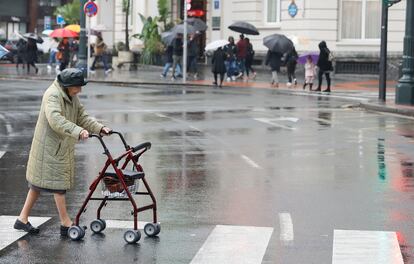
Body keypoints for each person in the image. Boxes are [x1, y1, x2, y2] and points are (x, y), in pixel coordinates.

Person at [13, 68, 112, 236]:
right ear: (68, 85)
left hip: (58, 146)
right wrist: (78, 131)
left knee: (37, 185)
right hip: (50, 147)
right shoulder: (52, 95)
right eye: (78, 86)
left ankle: (22, 219)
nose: (80, 90)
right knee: (58, 186)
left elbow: (82, 116)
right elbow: (55, 119)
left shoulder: (71, 96)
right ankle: (66, 223)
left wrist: (99, 128)